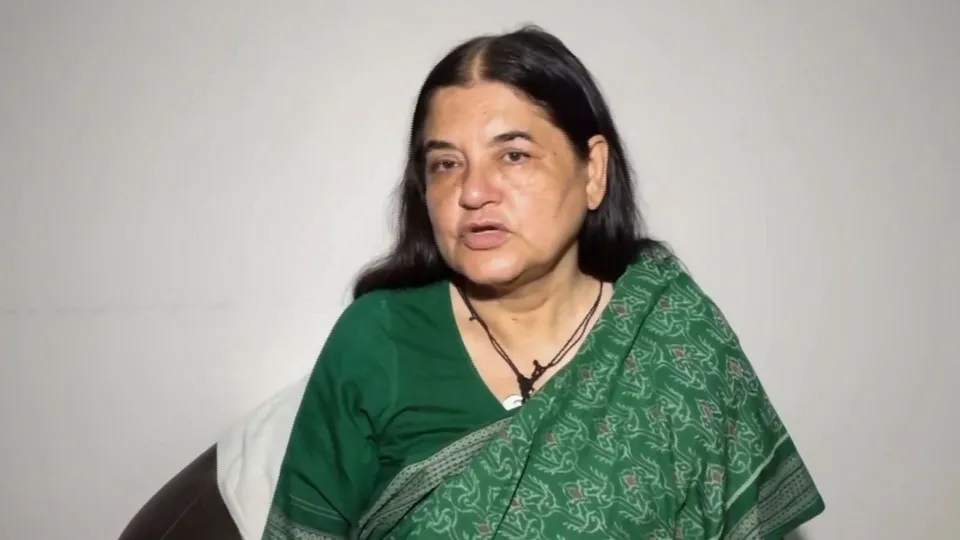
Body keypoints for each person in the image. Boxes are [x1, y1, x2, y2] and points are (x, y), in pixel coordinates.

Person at [264, 25, 825, 540]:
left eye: (513, 155)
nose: (474, 191)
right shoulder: (377, 339)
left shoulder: (676, 343)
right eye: (445, 164)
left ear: (594, 171)